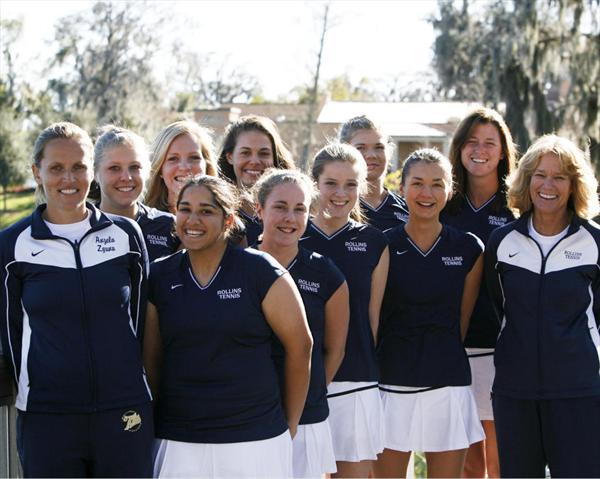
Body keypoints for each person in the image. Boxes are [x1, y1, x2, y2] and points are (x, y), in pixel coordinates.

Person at [0, 122, 153, 477]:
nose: (68, 178)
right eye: (56, 168)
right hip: (48, 416)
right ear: (37, 172)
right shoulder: (12, 245)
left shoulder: (126, 235)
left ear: (92, 171)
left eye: (79, 167)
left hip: (124, 410)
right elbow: (9, 331)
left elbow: (141, 320)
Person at [143, 175, 313, 478]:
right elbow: (152, 360)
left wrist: (290, 423)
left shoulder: (259, 271)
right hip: (179, 437)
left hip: (255, 438)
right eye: (185, 209)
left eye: (206, 211)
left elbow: (301, 346)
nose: (193, 220)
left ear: (228, 219)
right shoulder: (159, 275)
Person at [486, 134, 600, 478]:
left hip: (578, 390)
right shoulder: (502, 242)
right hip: (514, 391)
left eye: (560, 177)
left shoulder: (595, 243)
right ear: (527, 179)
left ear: (573, 185)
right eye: (540, 174)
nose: (548, 185)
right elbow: (499, 306)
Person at [375, 148, 485, 479]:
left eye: (437, 184)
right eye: (418, 183)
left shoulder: (469, 248)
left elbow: (461, 321)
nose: (427, 193)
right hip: (391, 382)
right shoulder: (381, 244)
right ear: (402, 188)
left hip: (447, 383)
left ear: (449, 190)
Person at [253, 169, 350, 477]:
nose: (289, 218)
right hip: (247, 413)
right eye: (280, 207)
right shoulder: (237, 266)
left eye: (300, 209)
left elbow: (334, 351)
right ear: (259, 209)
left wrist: (305, 393)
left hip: (306, 418)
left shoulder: (326, 274)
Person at [301, 143, 389, 478]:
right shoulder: (291, 234)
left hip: (356, 381)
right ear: (314, 184)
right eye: (331, 184)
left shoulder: (374, 241)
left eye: (351, 184)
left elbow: (373, 319)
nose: (341, 193)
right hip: (300, 382)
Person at [441, 107, 517, 478]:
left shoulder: (519, 206)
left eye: (490, 143)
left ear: (503, 151)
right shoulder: (444, 204)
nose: (480, 150)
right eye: (472, 141)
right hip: (453, 346)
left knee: (500, 458)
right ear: (459, 148)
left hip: (500, 346)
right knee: (469, 462)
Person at [93, 125, 179, 261]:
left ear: (147, 171)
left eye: (135, 167)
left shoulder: (167, 225)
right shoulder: (81, 228)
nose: (126, 177)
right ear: (95, 173)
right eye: (114, 168)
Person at [217, 115, 295, 244]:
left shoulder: (294, 216)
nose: (254, 161)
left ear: (274, 158)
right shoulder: (216, 212)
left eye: (264, 153)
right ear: (230, 157)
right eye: (245, 153)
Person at [339, 115, 408, 230]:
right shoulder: (334, 206)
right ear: (343, 152)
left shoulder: (407, 209)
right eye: (360, 148)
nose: (371, 155)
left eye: (379, 147)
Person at [145, 120, 218, 214]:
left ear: (207, 165)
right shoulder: (143, 223)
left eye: (194, 157)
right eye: (173, 158)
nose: (184, 167)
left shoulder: (227, 220)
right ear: (159, 169)